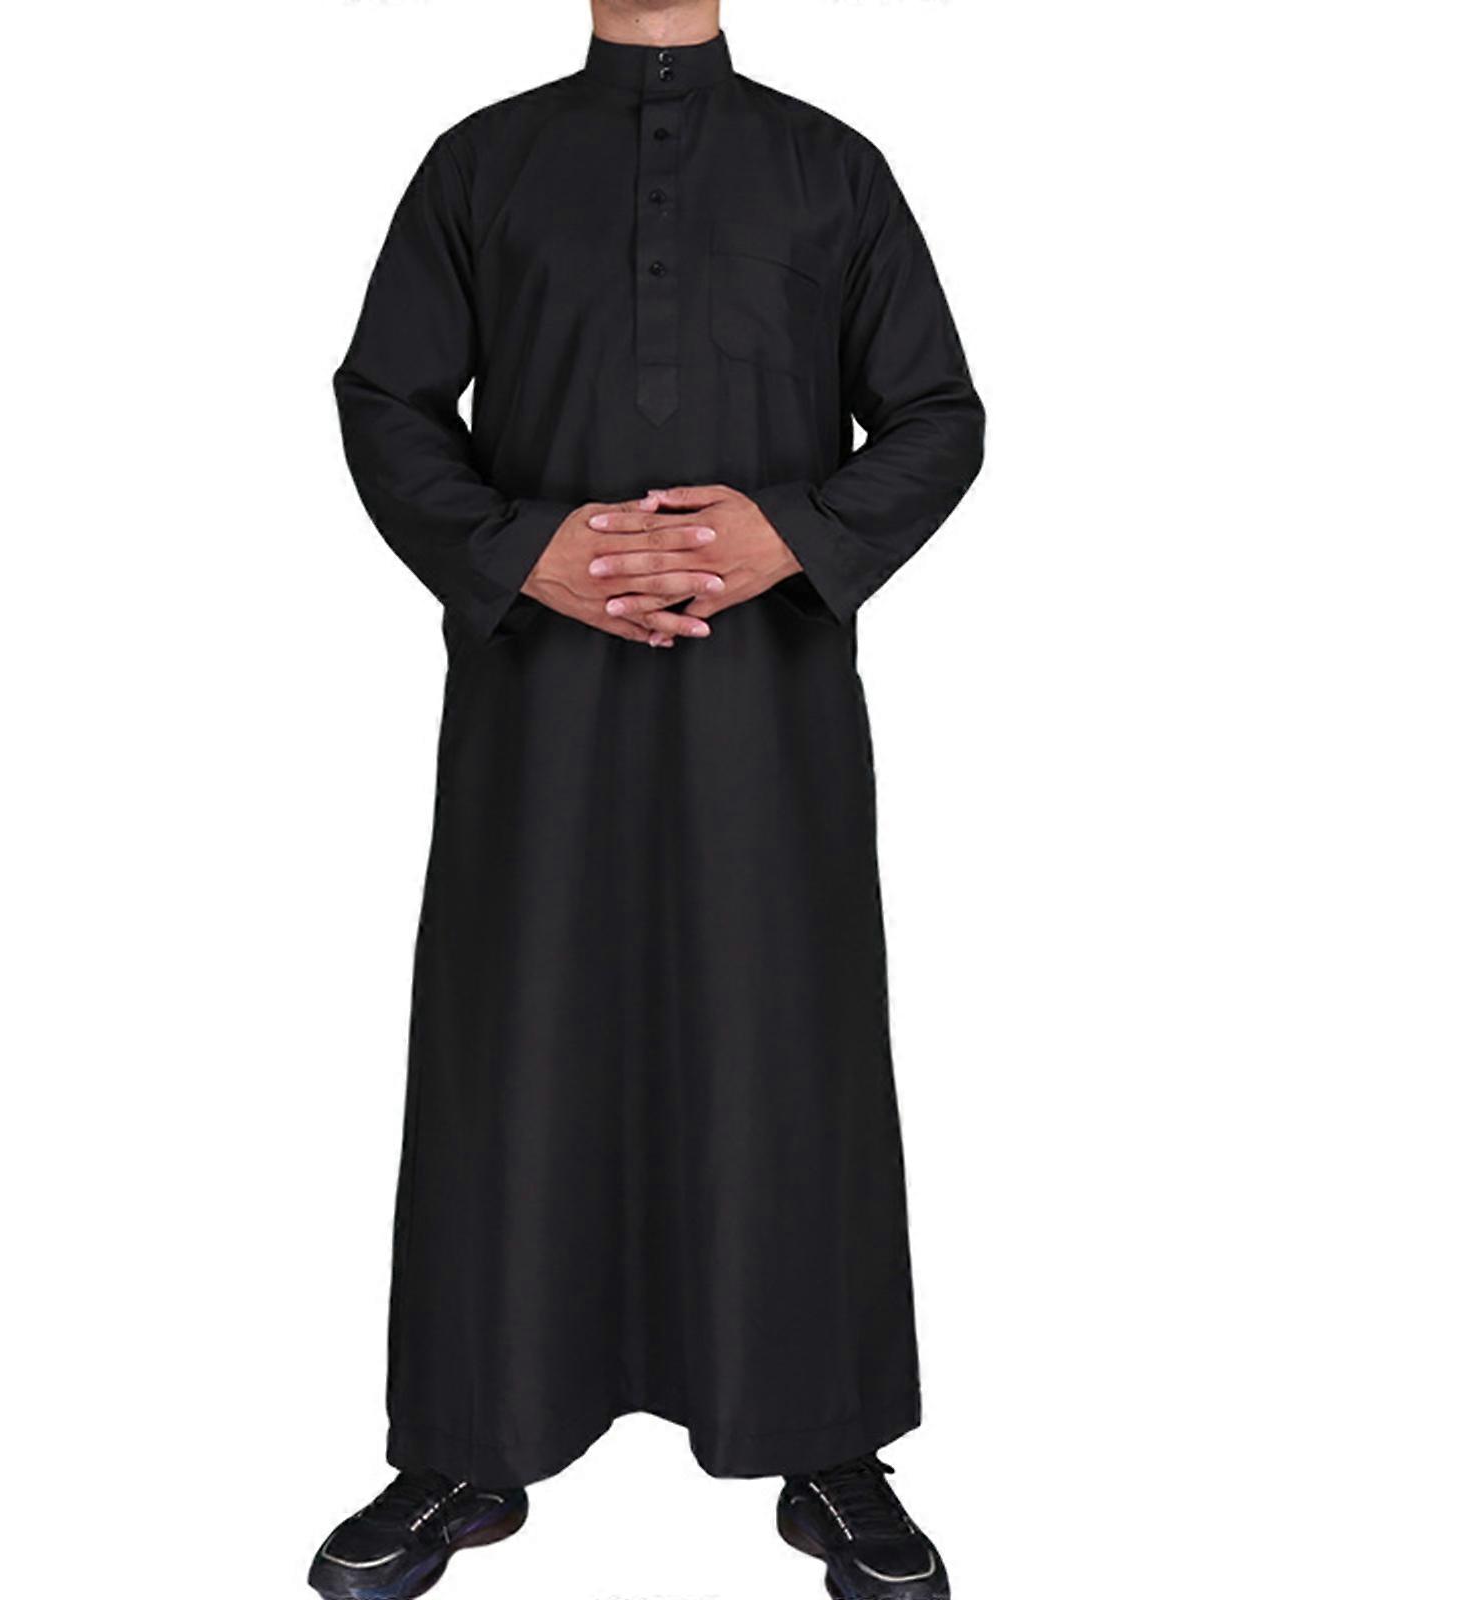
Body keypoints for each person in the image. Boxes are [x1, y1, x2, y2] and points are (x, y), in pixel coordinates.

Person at [312, 0, 984, 1595]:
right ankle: (464, 1440)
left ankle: (826, 1443)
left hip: (769, 714)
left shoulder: (831, 170)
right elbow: (386, 398)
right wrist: (519, 549)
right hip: (537, 712)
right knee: (512, 1039)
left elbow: (939, 416)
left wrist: (794, 535)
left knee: (782, 1040)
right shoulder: (481, 164)